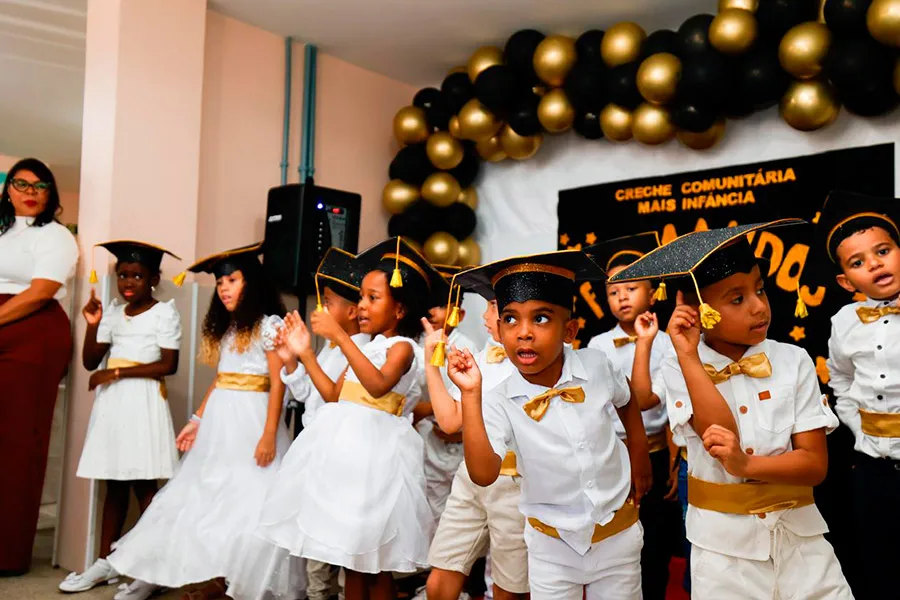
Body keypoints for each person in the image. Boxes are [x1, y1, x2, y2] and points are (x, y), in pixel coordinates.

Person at [608, 219, 853, 599]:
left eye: (760, 289)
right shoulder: (678, 365)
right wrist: (688, 355)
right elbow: (720, 437)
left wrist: (748, 466)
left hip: (800, 541)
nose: (758, 307)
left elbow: (815, 465)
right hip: (724, 551)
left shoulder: (794, 360)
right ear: (695, 310)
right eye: (737, 299)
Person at [229, 237, 436, 600]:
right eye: (362, 297)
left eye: (374, 298)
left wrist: (340, 336)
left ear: (399, 310)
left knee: (376, 563)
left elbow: (376, 385)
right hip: (347, 461)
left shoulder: (402, 348)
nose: (363, 305)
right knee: (350, 559)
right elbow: (333, 395)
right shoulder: (366, 345)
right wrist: (306, 353)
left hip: (377, 461)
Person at [450, 249, 653, 600]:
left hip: (617, 536)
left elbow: (627, 399)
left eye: (541, 319)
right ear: (499, 330)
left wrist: (639, 453)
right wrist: (471, 396)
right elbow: (484, 474)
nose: (524, 333)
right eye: (511, 320)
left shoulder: (596, 365)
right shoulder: (498, 398)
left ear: (569, 329)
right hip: (551, 549)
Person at [107, 242, 289, 600]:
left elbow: (278, 383)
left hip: (252, 419)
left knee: (245, 499)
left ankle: (230, 583)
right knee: (198, 494)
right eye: (220, 283)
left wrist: (269, 434)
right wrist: (196, 419)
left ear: (251, 282)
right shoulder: (231, 327)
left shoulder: (270, 325)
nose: (224, 288)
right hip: (221, 419)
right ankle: (157, 570)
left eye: (232, 280)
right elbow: (222, 379)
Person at [59, 242, 182, 593]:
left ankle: (149, 569)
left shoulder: (163, 313)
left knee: (145, 486)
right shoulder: (113, 312)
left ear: (154, 279)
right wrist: (93, 324)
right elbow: (88, 361)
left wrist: (115, 374)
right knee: (114, 484)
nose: (129, 282)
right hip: (114, 406)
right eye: (123, 275)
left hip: (142, 402)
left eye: (138, 276)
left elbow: (168, 364)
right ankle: (105, 562)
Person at [585, 233, 681, 600]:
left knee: (653, 540)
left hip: (655, 452)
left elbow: (653, 402)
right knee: (614, 538)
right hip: (611, 455)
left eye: (631, 287)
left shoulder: (669, 341)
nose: (621, 296)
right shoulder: (597, 345)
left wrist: (673, 457)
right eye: (613, 291)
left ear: (653, 294)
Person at [275, 247, 370, 600]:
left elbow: (335, 396)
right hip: (317, 452)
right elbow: (307, 396)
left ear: (352, 311)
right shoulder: (332, 350)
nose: (319, 310)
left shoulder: (358, 350)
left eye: (327, 302)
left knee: (337, 546)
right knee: (314, 544)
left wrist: (306, 354)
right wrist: (290, 361)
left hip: (341, 458)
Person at [421, 288, 528, 600]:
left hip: (514, 483)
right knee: (440, 578)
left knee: (510, 588)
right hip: (470, 478)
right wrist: (431, 362)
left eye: (491, 307)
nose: (484, 316)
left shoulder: (534, 365)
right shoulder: (482, 359)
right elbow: (450, 421)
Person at [819, 191, 900, 600]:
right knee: (881, 564)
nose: (874, 263)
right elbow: (841, 381)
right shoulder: (844, 321)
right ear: (845, 281)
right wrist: (859, 427)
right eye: (858, 262)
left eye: (883, 250)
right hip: (873, 469)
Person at [0, 158, 78, 576]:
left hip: (31, 330)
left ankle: (7, 554)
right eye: (21, 184)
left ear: (51, 195)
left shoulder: (56, 235)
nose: (30, 192)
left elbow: (41, 290)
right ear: (7, 188)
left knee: (17, 445)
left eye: (40, 186)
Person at [414, 264, 476, 524]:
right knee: (427, 507)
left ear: (458, 314)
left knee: (458, 511)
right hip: (428, 439)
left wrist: (427, 410)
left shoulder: (466, 346)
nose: (433, 312)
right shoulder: (417, 343)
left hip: (457, 440)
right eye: (429, 304)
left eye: (441, 305)